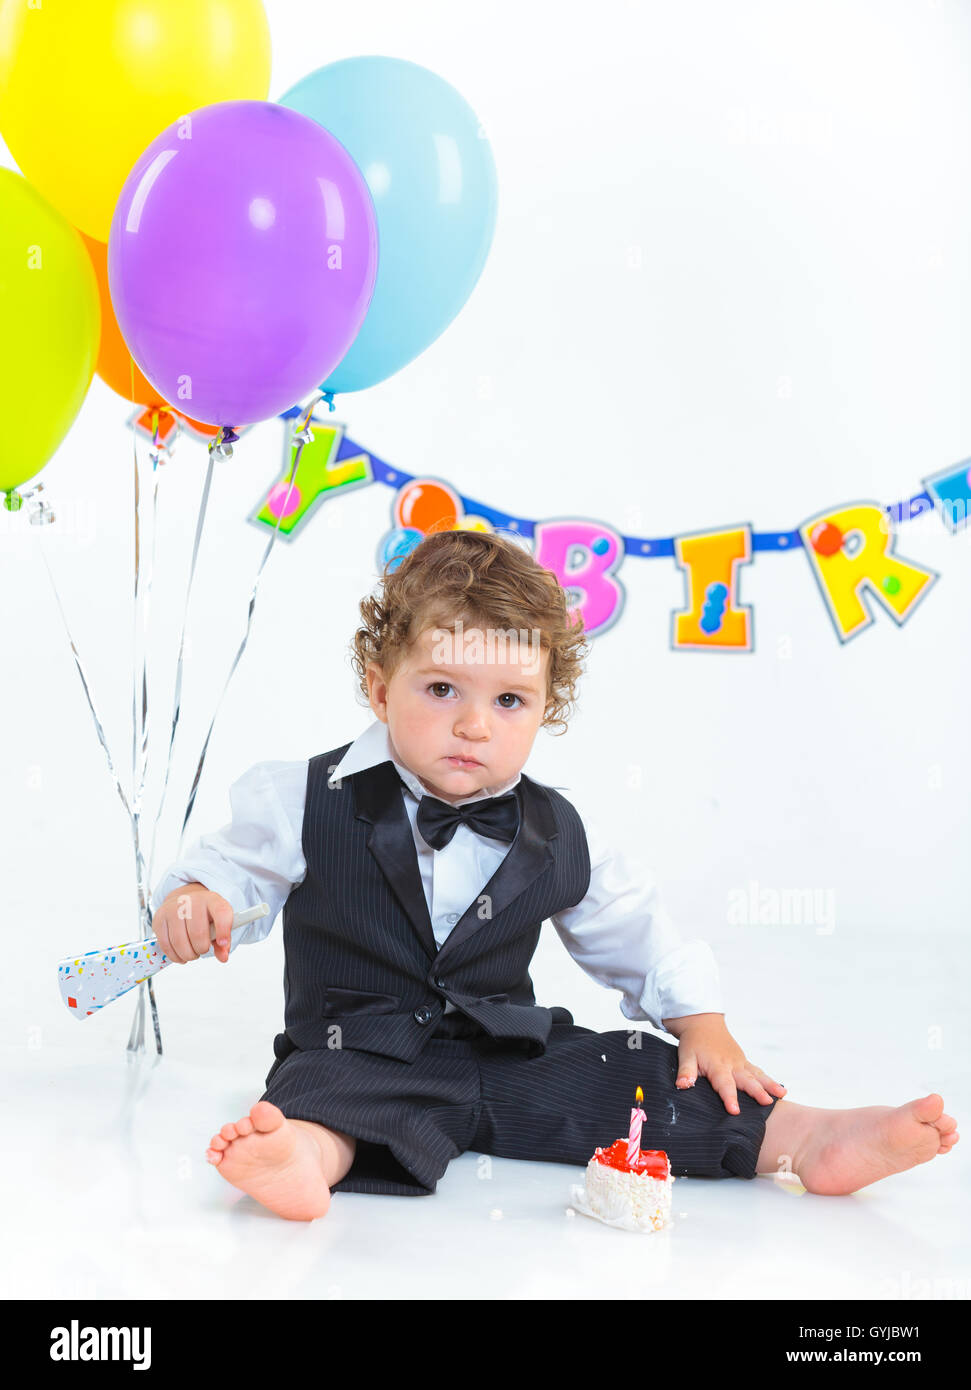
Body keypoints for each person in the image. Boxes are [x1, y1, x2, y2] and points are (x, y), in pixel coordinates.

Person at [151, 530, 959, 1222]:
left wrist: (699, 1023)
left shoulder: (560, 829)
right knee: (320, 1089)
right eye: (441, 690)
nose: (473, 723)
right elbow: (233, 867)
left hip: (505, 1051)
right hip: (362, 1049)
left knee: (638, 1076)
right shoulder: (303, 797)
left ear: (546, 709)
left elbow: (632, 924)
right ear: (378, 688)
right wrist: (200, 898)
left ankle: (806, 1138)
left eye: (509, 700)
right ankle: (302, 1156)